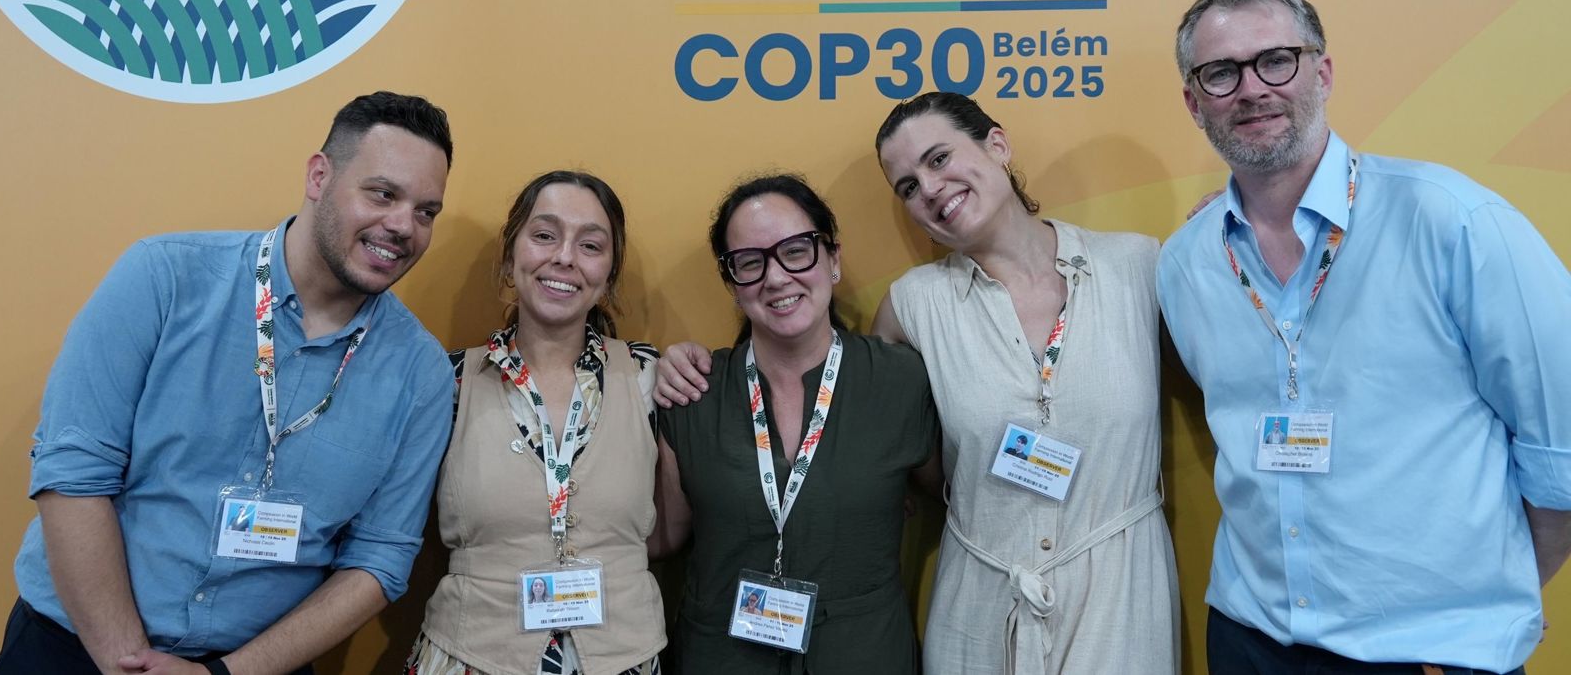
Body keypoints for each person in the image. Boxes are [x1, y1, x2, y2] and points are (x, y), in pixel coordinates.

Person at [658, 96, 1180, 675]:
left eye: (939, 158)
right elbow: (876, 438)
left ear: (998, 145)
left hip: (1118, 594)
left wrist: (1235, 225)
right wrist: (664, 364)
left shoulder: (1139, 266)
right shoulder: (913, 306)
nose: (929, 189)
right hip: (982, 597)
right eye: (908, 186)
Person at [1157, 0, 1571, 674]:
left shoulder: (1452, 222)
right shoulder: (1185, 264)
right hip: (1251, 637)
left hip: (1427, 649)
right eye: (1221, 73)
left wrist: (1481, 600)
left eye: (1276, 60)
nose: (1252, 88)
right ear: (1195, 103)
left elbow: (1561, 450)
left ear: (1322, 72)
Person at [0, 91, 457, 675]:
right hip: (73, 648)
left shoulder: (422, 374)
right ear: (319, 176)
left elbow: (380, 559)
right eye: (383, 194)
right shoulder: (165, 278)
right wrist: (123, 659)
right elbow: (73, 473)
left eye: (426, 211)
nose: (403, 226)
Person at [651, 174, 940, 674]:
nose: (777, 276)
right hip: (723, 659)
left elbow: (960, 496)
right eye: (750, 262)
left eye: (796, 251)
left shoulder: (900, 381)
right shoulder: (693, 392)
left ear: (833, 259)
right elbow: (662, 538)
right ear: (732, 284)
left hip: (863, 657)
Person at [408, 171, 665, 675]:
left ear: (609, 275)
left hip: (624, 656)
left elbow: (671, 530)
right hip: (469, 656)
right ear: (510, 257)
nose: (565, 257)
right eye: (545, 235)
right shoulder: (449, 381)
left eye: (590, 245)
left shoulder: (650, 377)